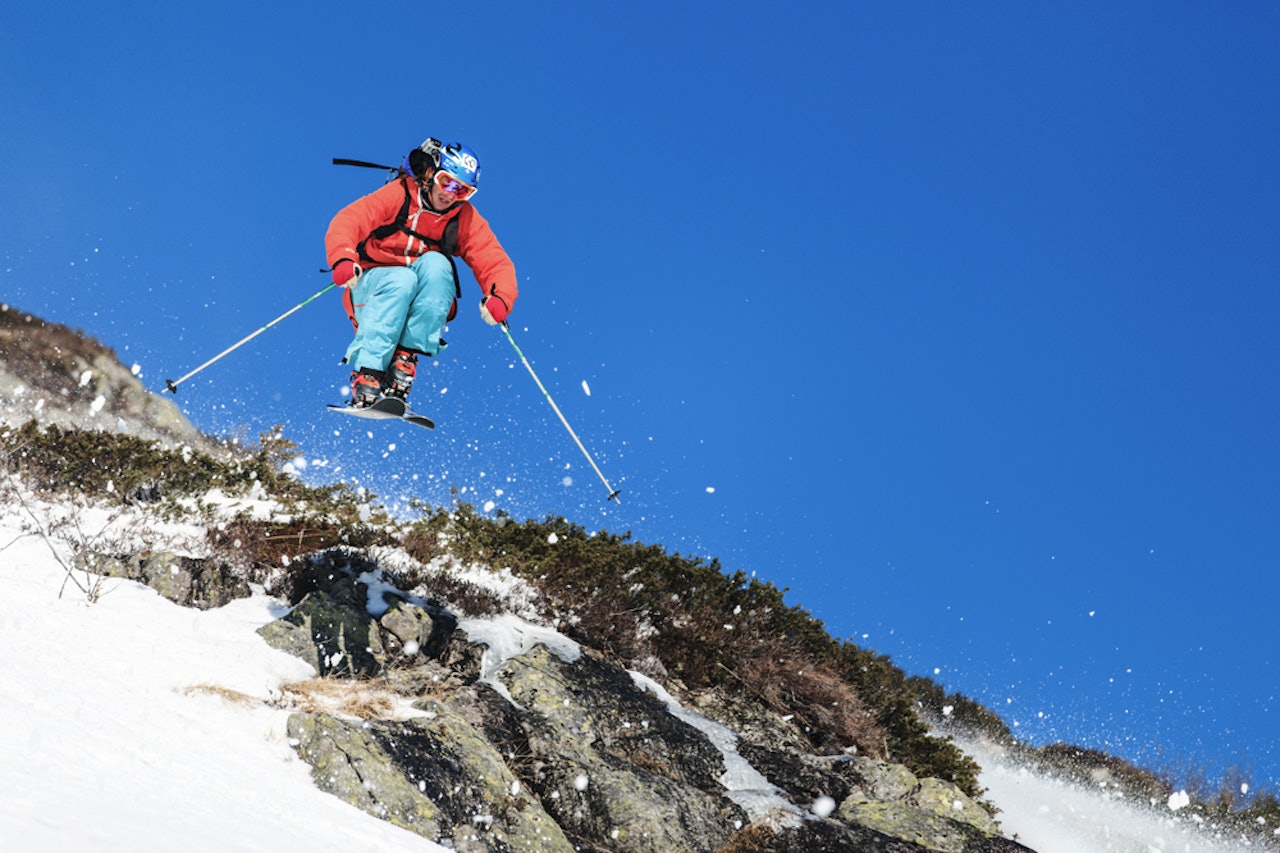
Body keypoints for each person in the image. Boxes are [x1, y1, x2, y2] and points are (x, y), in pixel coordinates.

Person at [325, 138, 518, 407]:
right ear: (430, 174)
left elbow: (494, 260)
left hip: (412, 300)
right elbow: (350, 220)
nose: (450, 194)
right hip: (371, 291)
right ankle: (368, 373)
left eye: (462, 191)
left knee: (438, 266)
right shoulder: (401, 194)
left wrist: (500, 297)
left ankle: (403, 361)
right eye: (447, 182)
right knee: (401, 279)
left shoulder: (462, 218)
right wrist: (343, 258)